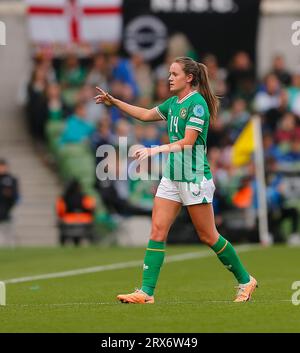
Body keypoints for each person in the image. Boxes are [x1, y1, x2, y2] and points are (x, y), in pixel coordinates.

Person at [94, 56, 257, 304]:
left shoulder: (197, 105)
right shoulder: (173, 102)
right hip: (172, 177)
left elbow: (188, 142)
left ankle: (246, 280)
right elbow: (146, 114)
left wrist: (153, 150)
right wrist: (114, 102)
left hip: (194, 178)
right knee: (157, 230)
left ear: (189, 78)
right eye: (169, 73)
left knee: (208, 236)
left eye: (174, 74)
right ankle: (146, 292)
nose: (169, 78)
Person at [0, 159, 19, 246]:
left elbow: (15, 195)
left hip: (8, 209)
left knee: (9, 231)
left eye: (3, 166)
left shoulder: (11, 179)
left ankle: (11, 247)